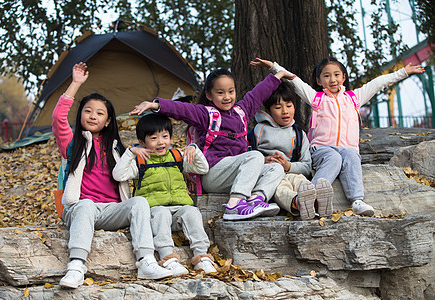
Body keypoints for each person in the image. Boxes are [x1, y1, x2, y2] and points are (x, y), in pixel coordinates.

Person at [251, 57, 425, 216]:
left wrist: (403, 72)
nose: (332, 79)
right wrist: (273, 67)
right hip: (322, 149)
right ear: (319, 81)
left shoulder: (354, 98)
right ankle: (313, 194)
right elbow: (295, 81)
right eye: (326, 76)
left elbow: (378, 83)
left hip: (347, 148)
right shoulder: (317, 99)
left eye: (336, 75)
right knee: (334, 158)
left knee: (351, 156)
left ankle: (357, 200)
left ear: (343, 78)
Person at [52, 62, 173, 288]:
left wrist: (131, 154)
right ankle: (76, 266)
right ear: (80, 116)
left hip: (110, 210)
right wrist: (75, 84)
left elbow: (126, 173)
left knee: (139, 203)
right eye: (87, 111)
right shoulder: (72, 143)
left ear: (108, 121)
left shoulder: (115, 148)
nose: (92, 116)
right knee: (87, 205)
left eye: (99, 113)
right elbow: (59, 118)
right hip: (79, 208)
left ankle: (146, 261)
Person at [129, 68, 288, 221]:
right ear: (209, 95)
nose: (227, 97)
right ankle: (235, 205)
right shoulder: (206, 114)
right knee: (255, 155)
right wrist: (154, 105)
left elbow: (257, 94)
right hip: (213, 174)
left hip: (234, 174)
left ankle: (255, 199)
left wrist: (278, 74)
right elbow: (182, 109)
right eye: (220, 92)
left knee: (275, 168)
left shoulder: (241, 112)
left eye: (231, 91)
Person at [113, 113, 217, 275]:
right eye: (154, 138)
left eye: (165, 136)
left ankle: (201, 256)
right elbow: (118, 175)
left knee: (192, 211)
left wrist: (194, 150)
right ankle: (168, 257)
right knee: (161, 213)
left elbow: (203, 169)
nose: (161, 142)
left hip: (178, 210)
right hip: (154, 212)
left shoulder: (176, 156)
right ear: (142, 142)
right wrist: (131, 152)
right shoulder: (141, 161)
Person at [253, 82, 333, 220]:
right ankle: (299, 203)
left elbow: (307, 166)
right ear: (268, 110)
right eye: (278, 107)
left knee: (302, 183)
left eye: (289, 106)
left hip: (292, 171)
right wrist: (263, 161)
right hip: (270, 175)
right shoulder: (258, 131)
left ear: (294, 107)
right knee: (280, 189)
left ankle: (318, 202)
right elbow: (249, 158)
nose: (285, 111)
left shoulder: (299, 134)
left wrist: (289, 166)